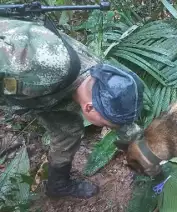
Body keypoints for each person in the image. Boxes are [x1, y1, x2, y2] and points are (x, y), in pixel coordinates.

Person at [0, 16, 144, 199]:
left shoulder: (105, 80)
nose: (109, 127)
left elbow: (121, 119)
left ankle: (57, 185)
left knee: (67, 132)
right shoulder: (38, 62)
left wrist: (145, 149)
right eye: (107, 125)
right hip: (22, 74)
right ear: (90, 108)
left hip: (49, 95)